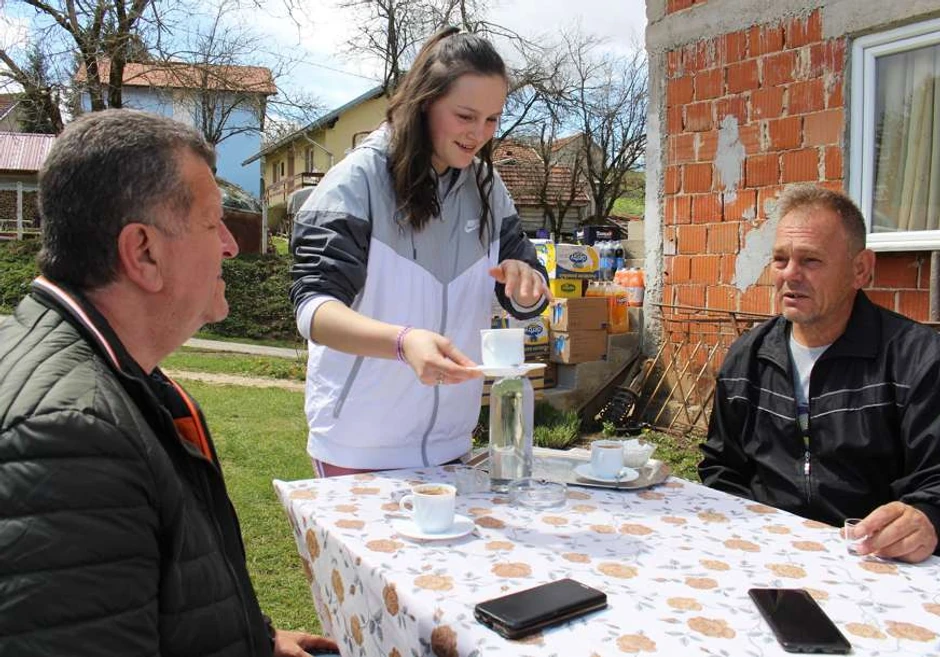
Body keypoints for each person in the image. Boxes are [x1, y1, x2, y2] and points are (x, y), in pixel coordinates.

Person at [0, 110, 338, 656]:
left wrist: (257, 639)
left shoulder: (106, 377)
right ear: (144, 252)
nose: (230, 245)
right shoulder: (70, 438)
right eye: (213, 223)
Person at [290, 27, 550, 477]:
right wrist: (402, 342)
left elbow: (525, 284)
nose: (479, 135)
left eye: (492, 119)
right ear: (426, 101)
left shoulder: (487, 187)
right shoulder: (357, 180)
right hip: (358, 445)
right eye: (466, 116)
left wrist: (527, 287)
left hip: (451, 442)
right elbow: (314, 311)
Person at [700, 183, 940, 564]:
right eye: (780, 260)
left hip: (877, 562)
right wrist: (750, 533)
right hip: (767, 553)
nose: (790, 275)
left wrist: (927, 518)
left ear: (860, 269)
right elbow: (722, 466)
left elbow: (935, 479)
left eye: (810, 261)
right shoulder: (747, 358)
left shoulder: (916, 359)